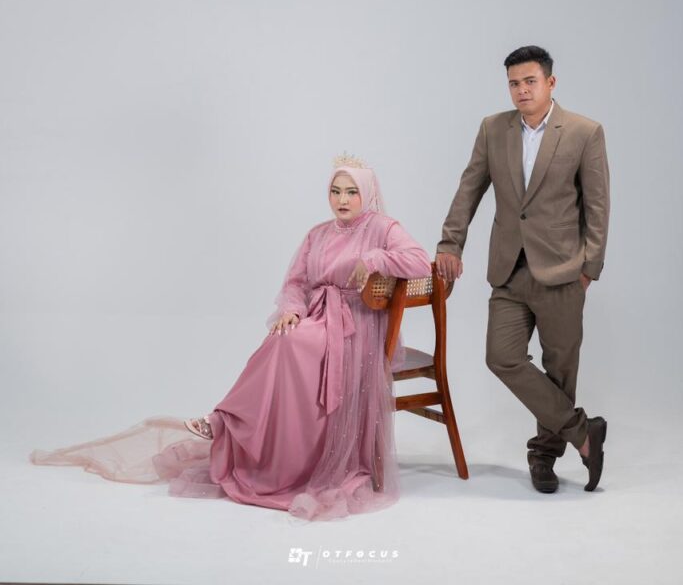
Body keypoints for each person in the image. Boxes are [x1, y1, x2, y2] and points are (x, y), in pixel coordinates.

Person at [31, 156, 432, 520]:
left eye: (351, 192)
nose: (342, 200)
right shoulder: (318, 234)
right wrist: (291, 309)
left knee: (291, 346)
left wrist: (374, 258)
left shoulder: (383, 228)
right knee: (282, 338)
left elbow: (417, 261)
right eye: (335, 191)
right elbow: (296, 282)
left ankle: (226, 420)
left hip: (355, 326)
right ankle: (237, 428)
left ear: (367, 194)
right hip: (316, 318)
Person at [435, 46, 610, 494]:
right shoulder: (493, 129)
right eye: (514, 83)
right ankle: (583, 432)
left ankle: (543, 456)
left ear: (550, 82)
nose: (521, 90)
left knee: (560, 370)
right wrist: (450, 242)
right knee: (502, 356)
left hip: (563, 270)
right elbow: (469, 188)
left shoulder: (584, 132)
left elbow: (597, 206)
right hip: (509, 270)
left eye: (530, 81)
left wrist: (588, 268)